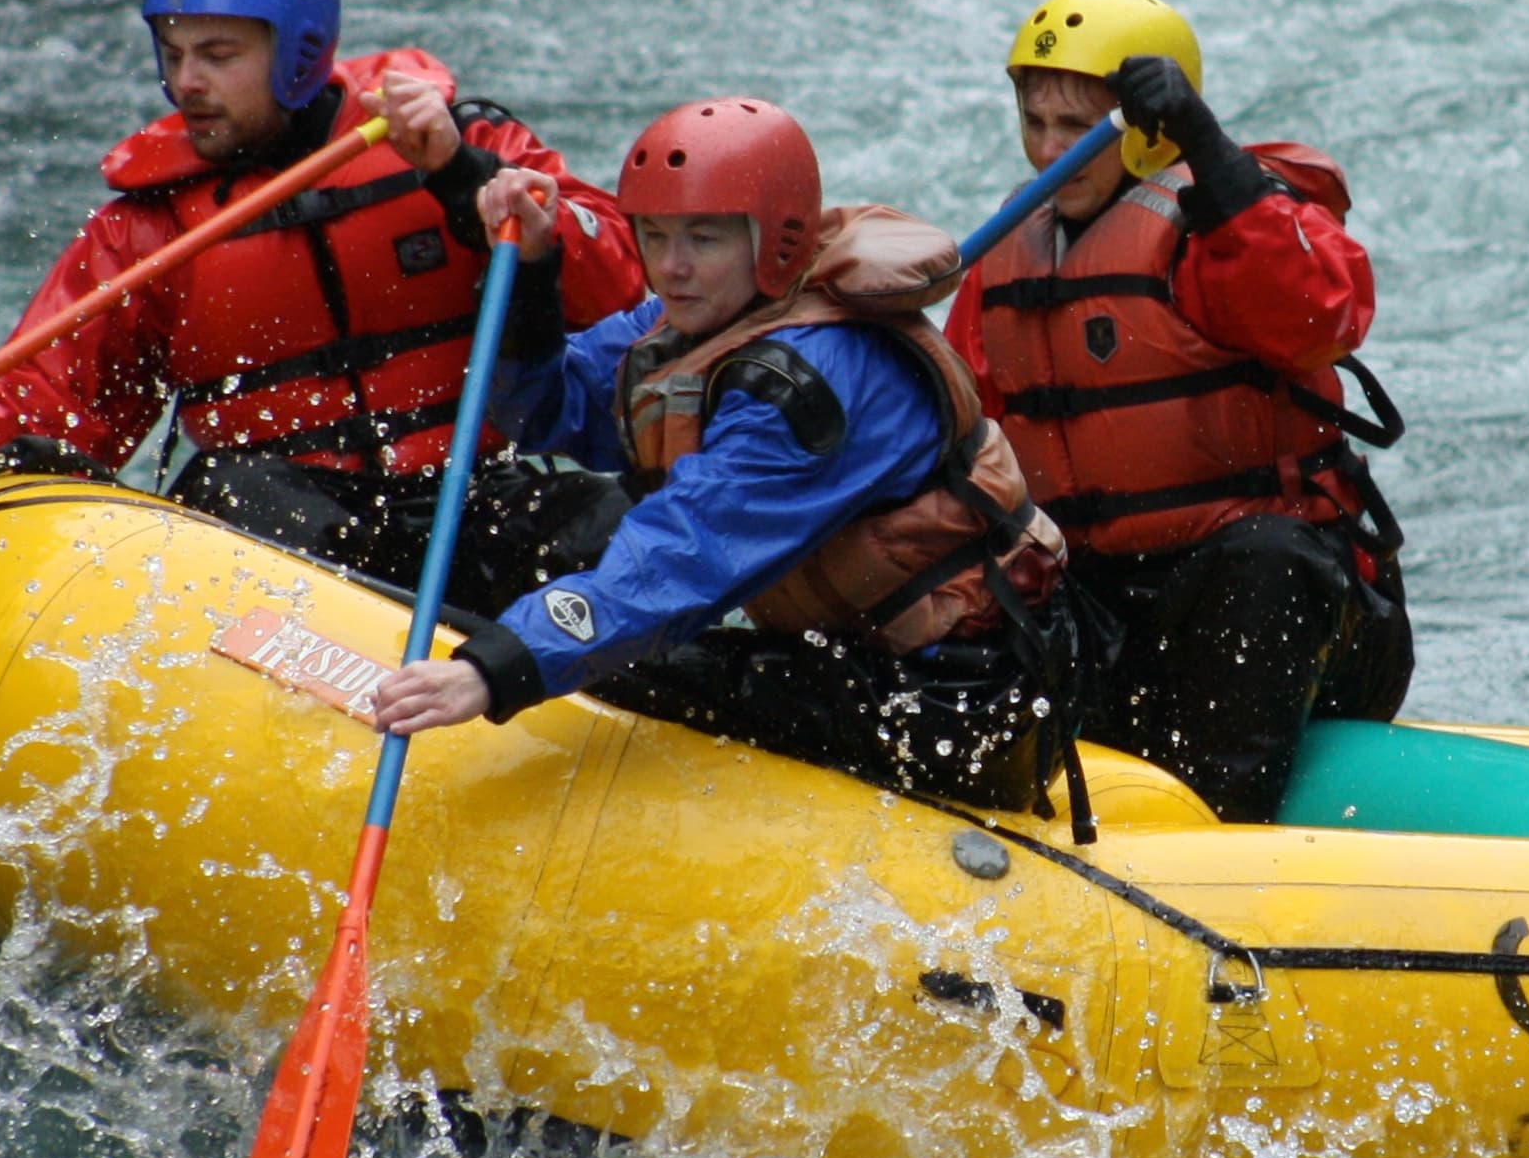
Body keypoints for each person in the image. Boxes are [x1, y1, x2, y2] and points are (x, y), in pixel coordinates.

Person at [0, 0, 643, 607]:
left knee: (611, 523)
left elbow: (623, 291)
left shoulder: (454, 144)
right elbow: (59, 403)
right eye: (173, 53)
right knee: (229, 494)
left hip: (471, 502)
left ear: (299, 52)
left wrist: (459, 178)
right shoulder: (151, 230)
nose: (186, 82)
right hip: (293, 521)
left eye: (218, 54)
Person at [365, 97, 1083, 815]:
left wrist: (493, 671)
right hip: (866, 659)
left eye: (703, 239)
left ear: (777, 240)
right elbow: (551, 411)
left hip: (958, 702)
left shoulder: (809, 380)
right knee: (531, 545)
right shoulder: (698, 319)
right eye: (655, 235)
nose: (673, 268)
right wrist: (531, 272)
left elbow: (683, 554)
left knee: (618, 672)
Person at [945, 0, 1409, 822]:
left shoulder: (1223, 221)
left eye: (1075, 129)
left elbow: (1319, 316)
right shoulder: (1008, 260)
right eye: (1034, 123)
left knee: (1268, 558)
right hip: (1110, 610)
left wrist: (1207, 142)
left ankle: (1224, 831)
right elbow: (949, 435)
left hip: (1290, 614)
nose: (1048, 151)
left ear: (1151, 129)